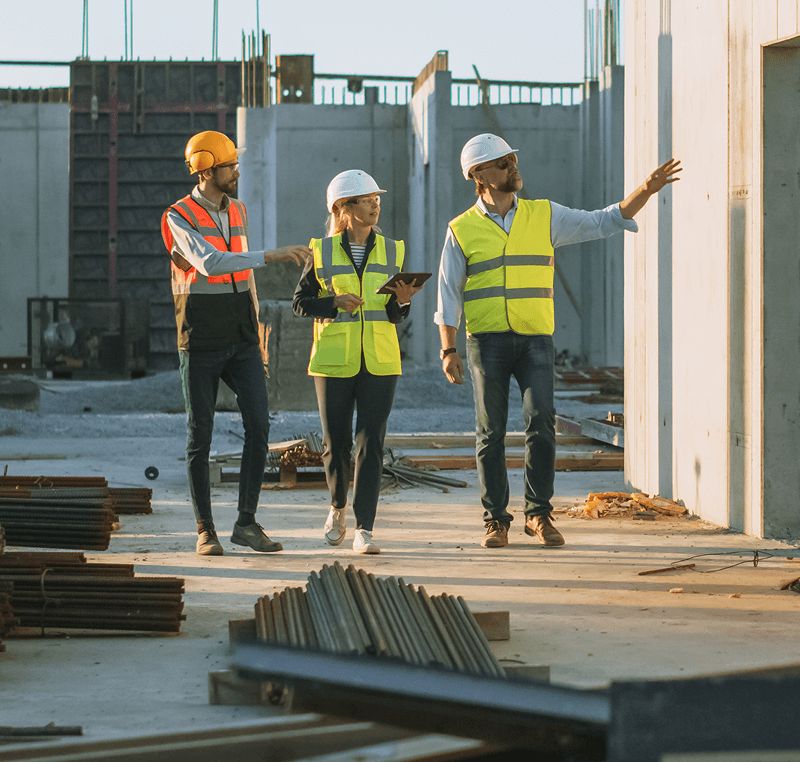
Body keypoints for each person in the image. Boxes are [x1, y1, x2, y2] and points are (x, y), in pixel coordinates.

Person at [436, 133, 681, 549]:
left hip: (535, 341)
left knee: (542, 423)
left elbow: (603, 220)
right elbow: (447, 292)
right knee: (490, 432)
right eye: (502, 163)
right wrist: (448, 348)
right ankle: (496, 520)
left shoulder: (544, 215)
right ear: (478, 175)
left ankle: (538, 515)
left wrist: (646, 189)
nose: (513, 167)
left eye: (513, 159)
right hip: (486, 343)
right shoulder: (461, 229)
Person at [161, 130, 311, 556]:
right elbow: (208, 263)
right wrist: (271, 255)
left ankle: (245, 523)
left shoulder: (239, 210)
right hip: (200, 338)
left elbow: (243, 280)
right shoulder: (178, 216)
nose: (237, 172)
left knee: (260, 426)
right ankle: (204, 530)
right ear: (207, 169)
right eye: (230, 166)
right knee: (200, 435)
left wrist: (258, 331)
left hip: (243, 337)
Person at [293, 169, 423, 554]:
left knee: (372, 444)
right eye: (366, 200)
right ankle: (337, 507)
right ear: (344, 209)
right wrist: (334, 302)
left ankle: (365, 528)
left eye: (376, 199)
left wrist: (403, 299)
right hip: (333, 360)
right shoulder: (322, 251)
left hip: (381, 359)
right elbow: (300, 304)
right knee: (336, 443)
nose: (375, 205)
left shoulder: (393, 250)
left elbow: (396, 314)